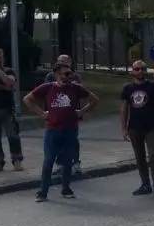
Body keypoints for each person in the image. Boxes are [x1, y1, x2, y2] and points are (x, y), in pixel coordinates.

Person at [24, 62, 99, 202]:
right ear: (57, 75)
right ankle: (43, 191)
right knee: (49, 161)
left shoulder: (75, 88)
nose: (69, 76)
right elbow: (27, 99)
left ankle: (66, 188)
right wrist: (42, 114)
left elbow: (94, 100)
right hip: (53, 129)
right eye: (66, 74)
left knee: (67, 161)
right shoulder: (48, 88)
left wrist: (81, 111)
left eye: (70, 73)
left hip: (70, 129)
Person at [121, 60, 154, 197]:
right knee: (139, 157)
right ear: (132, 71)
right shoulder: (128, 89)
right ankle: (145, 184)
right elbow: (124, 109)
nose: (140, 71)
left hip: (151, 127)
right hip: (134, 128)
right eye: (137, 69)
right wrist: (123, 128)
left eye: (142, 69)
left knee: (153, 155)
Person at [45, 54, 83, 176]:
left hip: (71, 112)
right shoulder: (51, 76)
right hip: (55, 113)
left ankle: (76, 162)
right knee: (57, 140)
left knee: (72, 140)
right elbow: (47, 92)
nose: (64, 64)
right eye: (61, 61)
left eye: (66, 61)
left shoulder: (74, 76)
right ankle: (61, 164)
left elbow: (77, 90)